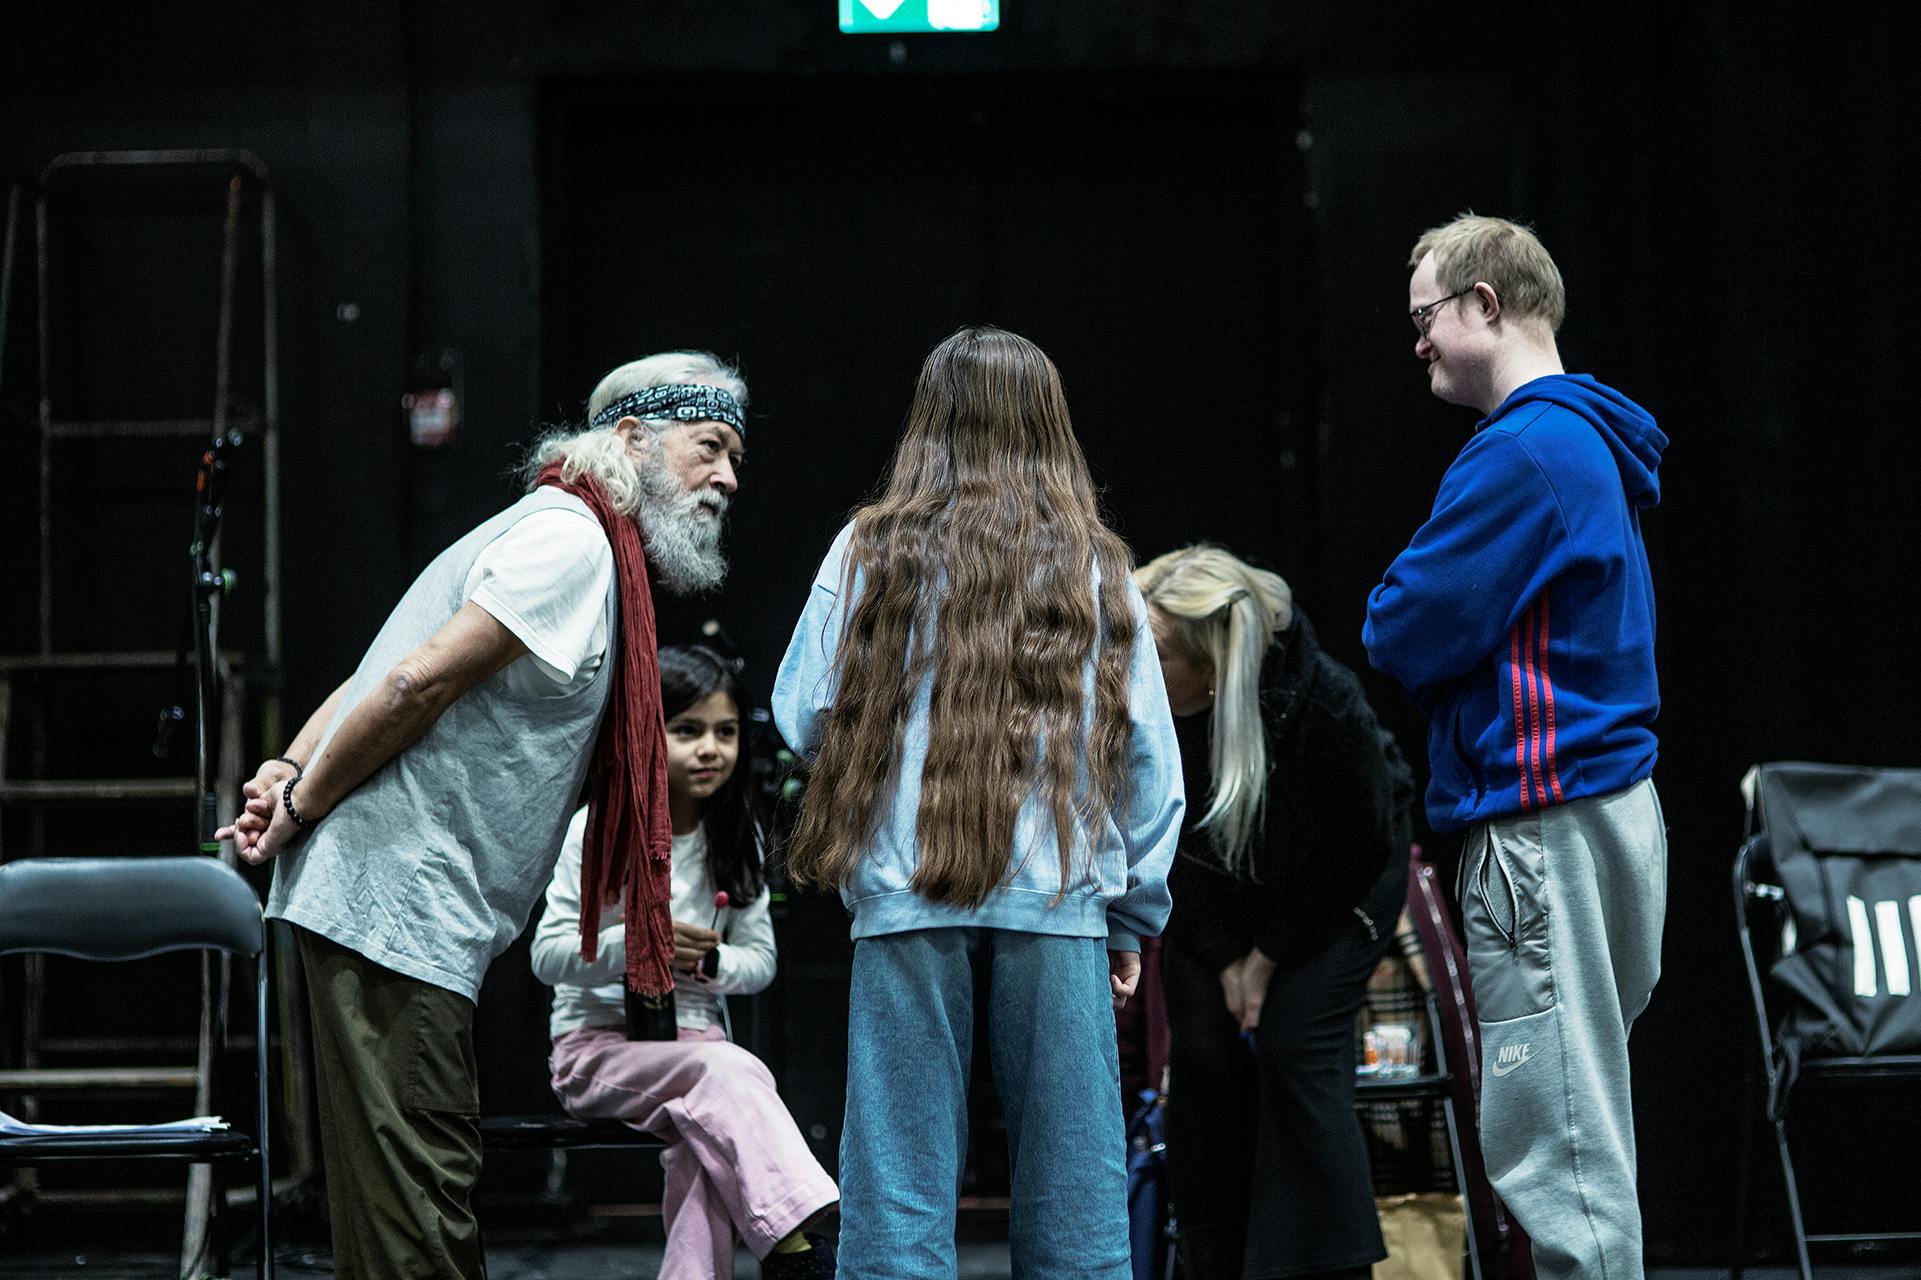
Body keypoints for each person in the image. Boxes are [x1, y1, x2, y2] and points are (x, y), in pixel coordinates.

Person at [217, 351, 750, 1277]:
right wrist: (300, 798)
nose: (728, 477)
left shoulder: (552, 530)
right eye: (709, 447)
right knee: (418, 1217)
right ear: (631, 439)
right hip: (395, 906)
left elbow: (372, 673)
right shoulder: (572, 543)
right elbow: (415, 681)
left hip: (394, 910)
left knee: (401, 1212)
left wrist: (288, 764)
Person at [772, 326, 1184, 1280]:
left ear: (929, 422)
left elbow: (803, 713)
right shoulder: (1096, 563)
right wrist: (1132, 915)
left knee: (897, 1178)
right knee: (1076, 1180)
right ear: (1051, 425)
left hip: (906, 896)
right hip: (1059, 904)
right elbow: (1149, 766)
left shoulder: (867, 548)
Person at [1364, 213, 1668, 1280]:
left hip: (1542, 826)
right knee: (1587, 1112)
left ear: (1485, 304)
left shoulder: (1524, 449)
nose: (1418, 343)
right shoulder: (1590, 437)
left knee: (1561, 1145)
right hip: (1612, 814)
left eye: (1426, 316)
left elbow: (1399, 622)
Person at [1135, 545, 1414, 1280]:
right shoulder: (1141, 709)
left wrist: (1265, 959)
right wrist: (1228, 957)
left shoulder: (1321, 702)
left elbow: (1358, 846)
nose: (1130, 669)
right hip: (1211, 895)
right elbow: (1157, 854)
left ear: (1214, 670)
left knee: (1296, 1046)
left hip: (1334, 883)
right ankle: (1213, 1259)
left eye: (1155, 655)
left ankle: (1334, 1269)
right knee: (1200, 1054)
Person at [531, 644, 838, 1279]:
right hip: (598, 1048)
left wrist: (712, 962)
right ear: (649, 734)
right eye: (688, 730)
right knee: (728, 1075)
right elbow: (546, 955)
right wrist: (638, 944)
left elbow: (760, 964)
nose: (711, 750)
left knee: (710, 1134)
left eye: (725, 732)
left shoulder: (738, 835)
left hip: (700, 1046)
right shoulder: (598, 830)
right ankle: (795, 1242)